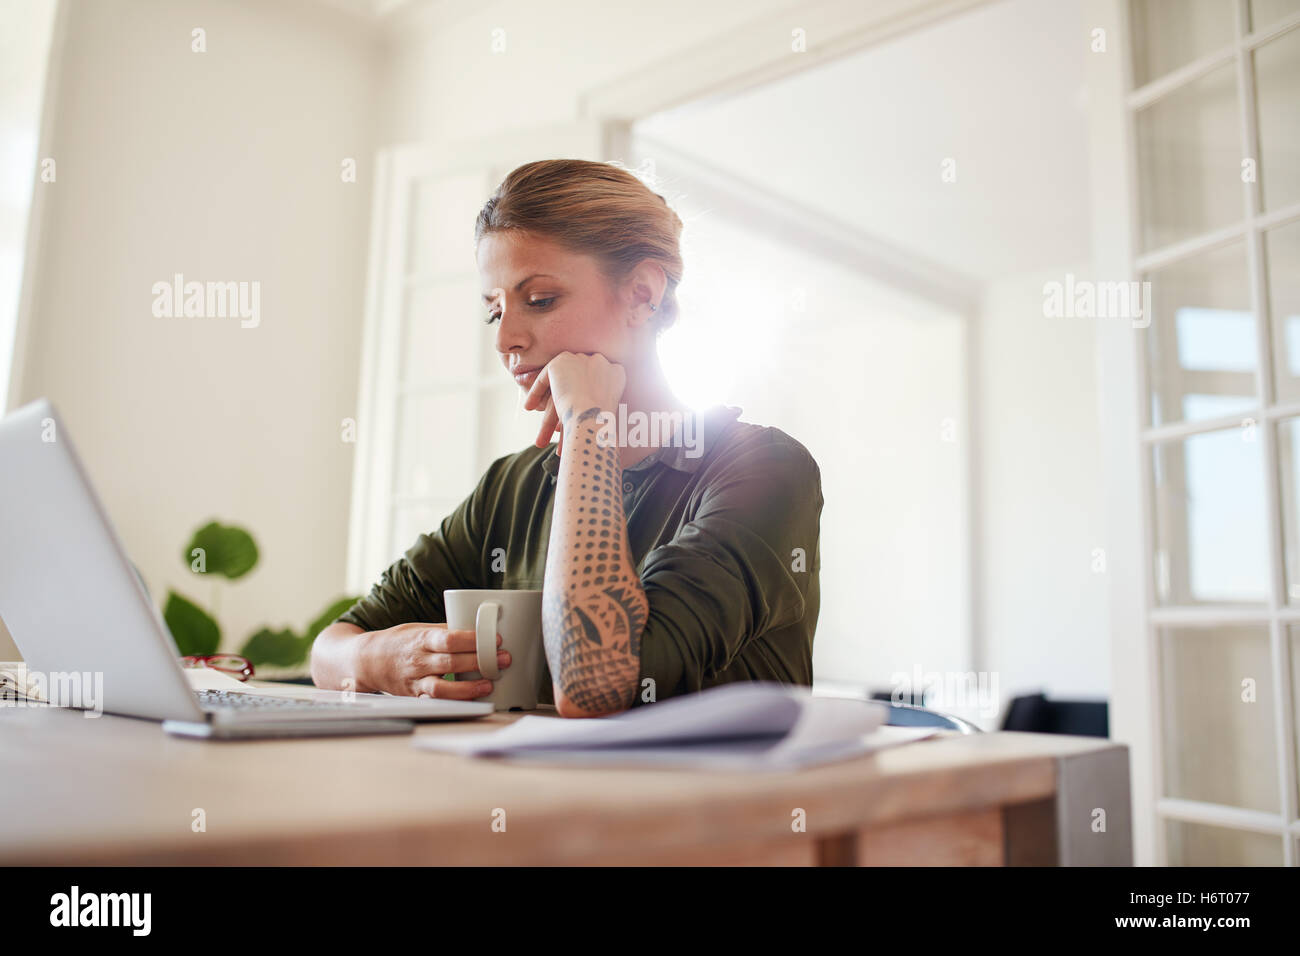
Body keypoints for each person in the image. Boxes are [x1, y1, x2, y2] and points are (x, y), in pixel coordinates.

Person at [311, 159, 823, 718]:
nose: (506, 338)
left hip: (712, 803)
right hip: (538, 798)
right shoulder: (514, 484)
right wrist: (384, 657)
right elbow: (330, 649)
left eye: (540, 300)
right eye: (494, 311)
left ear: (642, 294)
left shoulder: (766, 469)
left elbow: (595, 687)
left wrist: (589, 423)